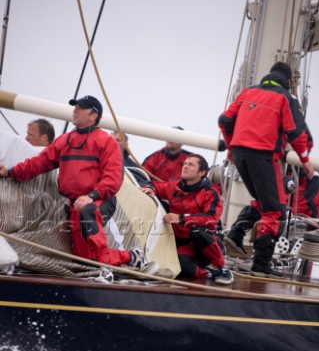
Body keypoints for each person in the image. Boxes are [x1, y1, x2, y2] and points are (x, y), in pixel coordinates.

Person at [0, 95, 145, 269]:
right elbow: (39, 163)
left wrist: (91, 197)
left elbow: (113, 179)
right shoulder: (65, 140)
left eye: (80, 107)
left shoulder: (107, 142)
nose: (75, 110)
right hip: (75, 203)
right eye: (75, 106)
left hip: (97, 201)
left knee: (89, 226)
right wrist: (10, 172)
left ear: (93, 115)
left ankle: (126, 258)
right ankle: (131, 257)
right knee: (83, 258)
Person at [218, 61, 315, 277]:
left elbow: (224, 120)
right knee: (275, 210)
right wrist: (306, 160)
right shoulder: (285, 98)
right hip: (263, 156)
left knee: (264, 202)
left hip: (241, 155)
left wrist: (231, 146)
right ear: (289, 82)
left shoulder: (247, 92)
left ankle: (236, 233)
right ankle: (261, 264)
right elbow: (297, 133)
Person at [141, 154, 233, 284]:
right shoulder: (174, 186)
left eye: (190, 165)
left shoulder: (210, 192)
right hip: (184, 245)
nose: (185, 166)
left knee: (197, 231)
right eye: (184, 164)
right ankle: (209, 273)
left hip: (206, 244)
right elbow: (156, 186)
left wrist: (182, 218)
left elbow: (212, 218)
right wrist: (150, 188)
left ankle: (222, 268)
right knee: (179, 264)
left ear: (201, 172)